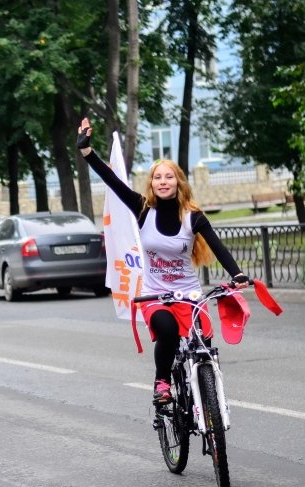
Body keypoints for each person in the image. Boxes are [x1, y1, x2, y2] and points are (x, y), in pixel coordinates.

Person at [76, 117, 249, 408]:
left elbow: (218, 247)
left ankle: (209, 405)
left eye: (169, 177)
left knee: (204, 344)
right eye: (158, 178)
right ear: (152, 184)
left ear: (178, 181)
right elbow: (114, 182)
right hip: (156, 294)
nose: (163, 182)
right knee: (167, 331)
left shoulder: (193, 216)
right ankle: (163, 382)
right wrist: (87, 152)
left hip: (190, 295)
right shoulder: (143, 209)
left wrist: (238, 274)